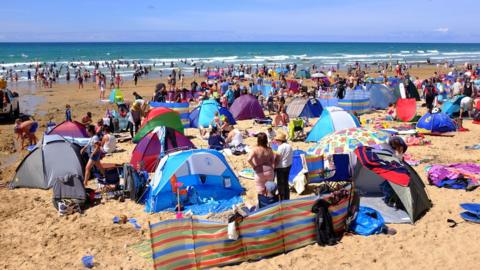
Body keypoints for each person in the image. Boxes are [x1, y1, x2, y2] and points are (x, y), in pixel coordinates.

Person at [247, 132, 275, 203]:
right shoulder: (269, 149)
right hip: (269, 171)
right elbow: (272, 161)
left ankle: (262, 205)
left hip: (259, 172)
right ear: (266, 140)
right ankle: (270, 205)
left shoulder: (255, 149)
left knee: (260, 191)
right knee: (270, 190)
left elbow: (249, 159)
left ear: (258, 140)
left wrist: (254, 166)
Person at [273, 132, 292, 201]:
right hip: (288, 165)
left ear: (280, 140)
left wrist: (274, 166)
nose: (276, 142)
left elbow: (277, 158)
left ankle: (282, 199)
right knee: (286, 183)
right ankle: (287, 198)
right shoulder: (289, 146)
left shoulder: (281, 147)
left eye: (277, 140)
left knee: (281, 185)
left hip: (281, 167)